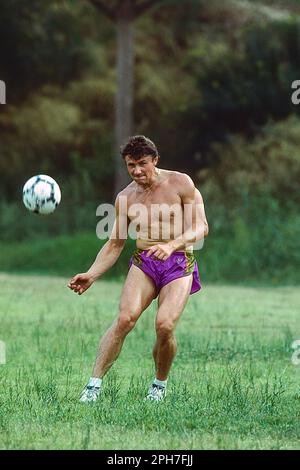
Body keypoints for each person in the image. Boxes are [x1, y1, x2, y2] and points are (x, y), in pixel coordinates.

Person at [68, 135, 209, 402]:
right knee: (124, 320)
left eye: (142, 163)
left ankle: (158, 385)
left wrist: (171, 245)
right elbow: (115, 244)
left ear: (155, 160)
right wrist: (92, 274)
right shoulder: (125, 198)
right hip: (144, 262)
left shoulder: (181, 182)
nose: (137, 171)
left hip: (179, 262)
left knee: (165, 326)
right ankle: (93, 386)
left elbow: (201, 226)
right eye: (131, 165)